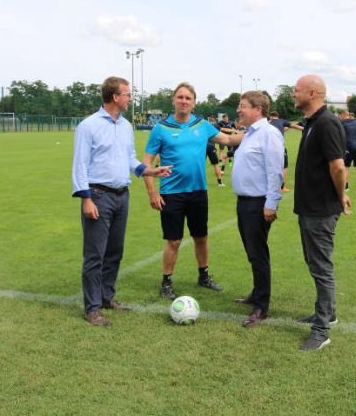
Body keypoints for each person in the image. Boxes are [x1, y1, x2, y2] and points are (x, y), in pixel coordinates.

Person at [72, 76, 172, 326]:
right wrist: (86, 199)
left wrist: (149, 171)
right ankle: (92, 308)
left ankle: (107, 298)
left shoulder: (126, 126)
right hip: (98, 196)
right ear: (115, 97)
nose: (131, 98)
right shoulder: (89, 125)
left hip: (121, 196)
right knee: (95, 255)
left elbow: (130, 159)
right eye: (127, 94)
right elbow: (80, 165)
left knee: (115, 252)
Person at [143, 82, 243, 300]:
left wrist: (257, 130)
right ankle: (166, 282)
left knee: (201, 237)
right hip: (171, 193)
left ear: (194, 102)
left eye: (188, 98)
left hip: (198, 192)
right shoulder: (161, 128)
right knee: (173, 240)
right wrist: (152, 192)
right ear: (173, 100)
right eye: (180, 97)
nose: (183, 101)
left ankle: (203, 276)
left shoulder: (202, 125)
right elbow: (147, 162)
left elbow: (226, 139)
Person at [292, 74, 350, 352]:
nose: (293, 94)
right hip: (310, 207)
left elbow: (338, 166)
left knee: (321, 266)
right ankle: (327, 313)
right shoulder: (312, 122)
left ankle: (322, 329)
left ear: (312, 93)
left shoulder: (326, 123)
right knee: (316, 263)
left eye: (297, 90)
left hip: (320, 208)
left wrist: (341, 195)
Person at [231, 92, 285, 327]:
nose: (238, 110)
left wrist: (271, 204)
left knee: (258, 253)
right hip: (245, 202)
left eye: (243, 106)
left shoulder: (269, 134)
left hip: (258, 203)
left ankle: (261, 306)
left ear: (258, 109)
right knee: (252, 252)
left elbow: (275, 171)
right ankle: (256, 293)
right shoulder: (250, 134)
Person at [268, 111, 303, 192]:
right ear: (278, 116)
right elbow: (295, 126)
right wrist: (305, 128)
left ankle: (268, 186)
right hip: (280, 148)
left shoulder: (268, 123)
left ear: (271, 117)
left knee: (269, 165)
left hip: (268, 148)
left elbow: (284, 129)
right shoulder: (282, 121)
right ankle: (282, 187)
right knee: (284, 166)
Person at [206, 117, 225, 187]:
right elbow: (219, 134)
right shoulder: (216, 126)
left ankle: (196, 183)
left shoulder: (204, 125)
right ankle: (220, 183)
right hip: (211, 146)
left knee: (200, 165)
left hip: (203, 145)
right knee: (216, 164)